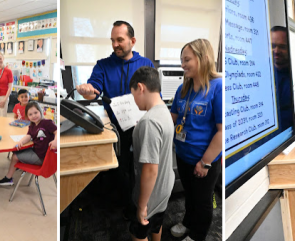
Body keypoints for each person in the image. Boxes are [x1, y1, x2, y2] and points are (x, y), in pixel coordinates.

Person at [76, 20, 155, 214]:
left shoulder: (145, 64)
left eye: (120, 39)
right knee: (119, 169)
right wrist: (87, 90)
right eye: (112, 40)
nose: (115, 44)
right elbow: (93, 91)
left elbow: (155, 96)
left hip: (141, 126)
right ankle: (123, 207)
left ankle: (141, 204)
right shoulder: (103, 65)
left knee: (143, 167)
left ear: (132, 40)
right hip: (115, 129)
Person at [165, 38, 223, 241]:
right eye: (182, 60)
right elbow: (171, 117)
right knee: (190, 196)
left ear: (203, 58)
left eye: (186, 59)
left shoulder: (218, 87)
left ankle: (198, 235)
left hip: (204, 159)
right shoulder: (184, 88)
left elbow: (222, 132)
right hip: (183, 155)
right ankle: (188, 222)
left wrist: (205, 162)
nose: (182, 65)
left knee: (203, 200)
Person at [128, 66, 175, 241]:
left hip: (150, 195)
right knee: (156, 225)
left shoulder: (149, 122)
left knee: (138, 232)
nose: (134, 101)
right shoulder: (164, 112)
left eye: (133, 95)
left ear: (141, 88)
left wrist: (141, 206)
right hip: (164, 188)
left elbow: (150, 170)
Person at [0, 101, 57, 187]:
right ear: (27, 116)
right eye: (30, 114)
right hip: (38, 153)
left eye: (36, 113)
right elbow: (28, 136)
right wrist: (21, 141)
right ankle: (17, 167)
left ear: (40, 112)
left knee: (14, 156)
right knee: (18, 150)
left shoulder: (47, 122)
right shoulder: (32, 126)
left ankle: (8, 178)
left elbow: (57, 131)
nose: (34, 116)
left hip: (42, 158)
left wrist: (56, 140)